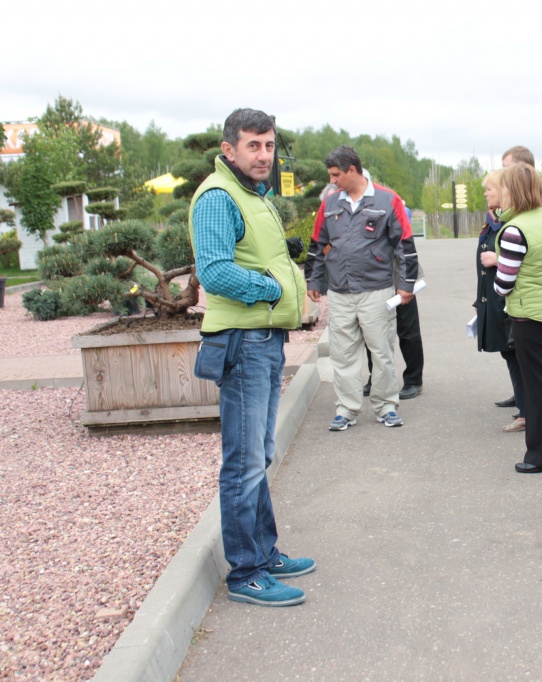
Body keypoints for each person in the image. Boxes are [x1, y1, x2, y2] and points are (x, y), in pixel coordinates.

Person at [188, 108, 314, 607]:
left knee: (258, 455)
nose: (264, 154)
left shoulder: (253, 195)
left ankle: (265, 552)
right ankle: (246, 573)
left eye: (268, 145)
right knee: (243, 461)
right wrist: (272, 287)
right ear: (229, 149)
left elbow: (249, 253)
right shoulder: (219, 196)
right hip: (243, 341)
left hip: (263, 339)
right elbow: (216, 272)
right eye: (253, 146)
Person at [307, 146, 415, 430]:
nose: (333, 181)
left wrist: (406, 284)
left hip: (376, 291)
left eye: (336, 175)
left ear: (352, 170)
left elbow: (404, 245)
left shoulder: (387, 200)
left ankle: (386, 405)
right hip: (340, 293)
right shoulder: (329, 204)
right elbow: (317, 245)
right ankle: (346, 409)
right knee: (343, 354)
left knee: (381, 351)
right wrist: (314, 280)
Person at [494, 162, 542, 473]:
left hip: (527, 316)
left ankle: (541, 456)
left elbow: (503, 283)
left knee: (536, 389)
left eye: (502, 188)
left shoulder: (514, 230)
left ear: (512, 192)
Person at [474, 169, 526, 432]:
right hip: (494, 299)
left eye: (490, 189)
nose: (485, 193)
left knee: (517, 353)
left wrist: (497, 259)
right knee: (509, 353)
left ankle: (527, 412)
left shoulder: (511, 222)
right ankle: (523, 404)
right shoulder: (494, 220)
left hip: (508, 300)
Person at [502, 145, 542, 214]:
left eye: (507, 168)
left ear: (523, 168)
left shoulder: (541, 193)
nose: (502, 173)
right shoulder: (521, 192)